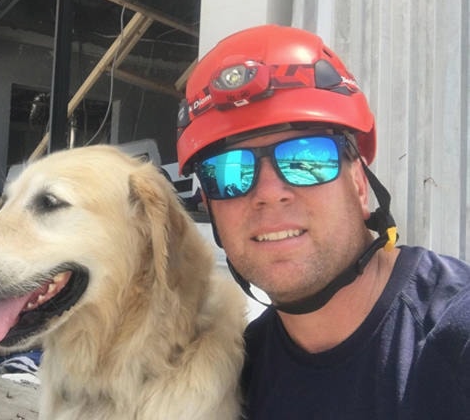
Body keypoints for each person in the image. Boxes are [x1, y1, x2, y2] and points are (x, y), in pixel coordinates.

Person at [175, 24, 470, 419]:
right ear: (210, 208)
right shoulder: (232, 386)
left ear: (359, 183)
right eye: (228, 172)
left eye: (307, 157)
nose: (268, 191)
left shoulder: (455, 337)